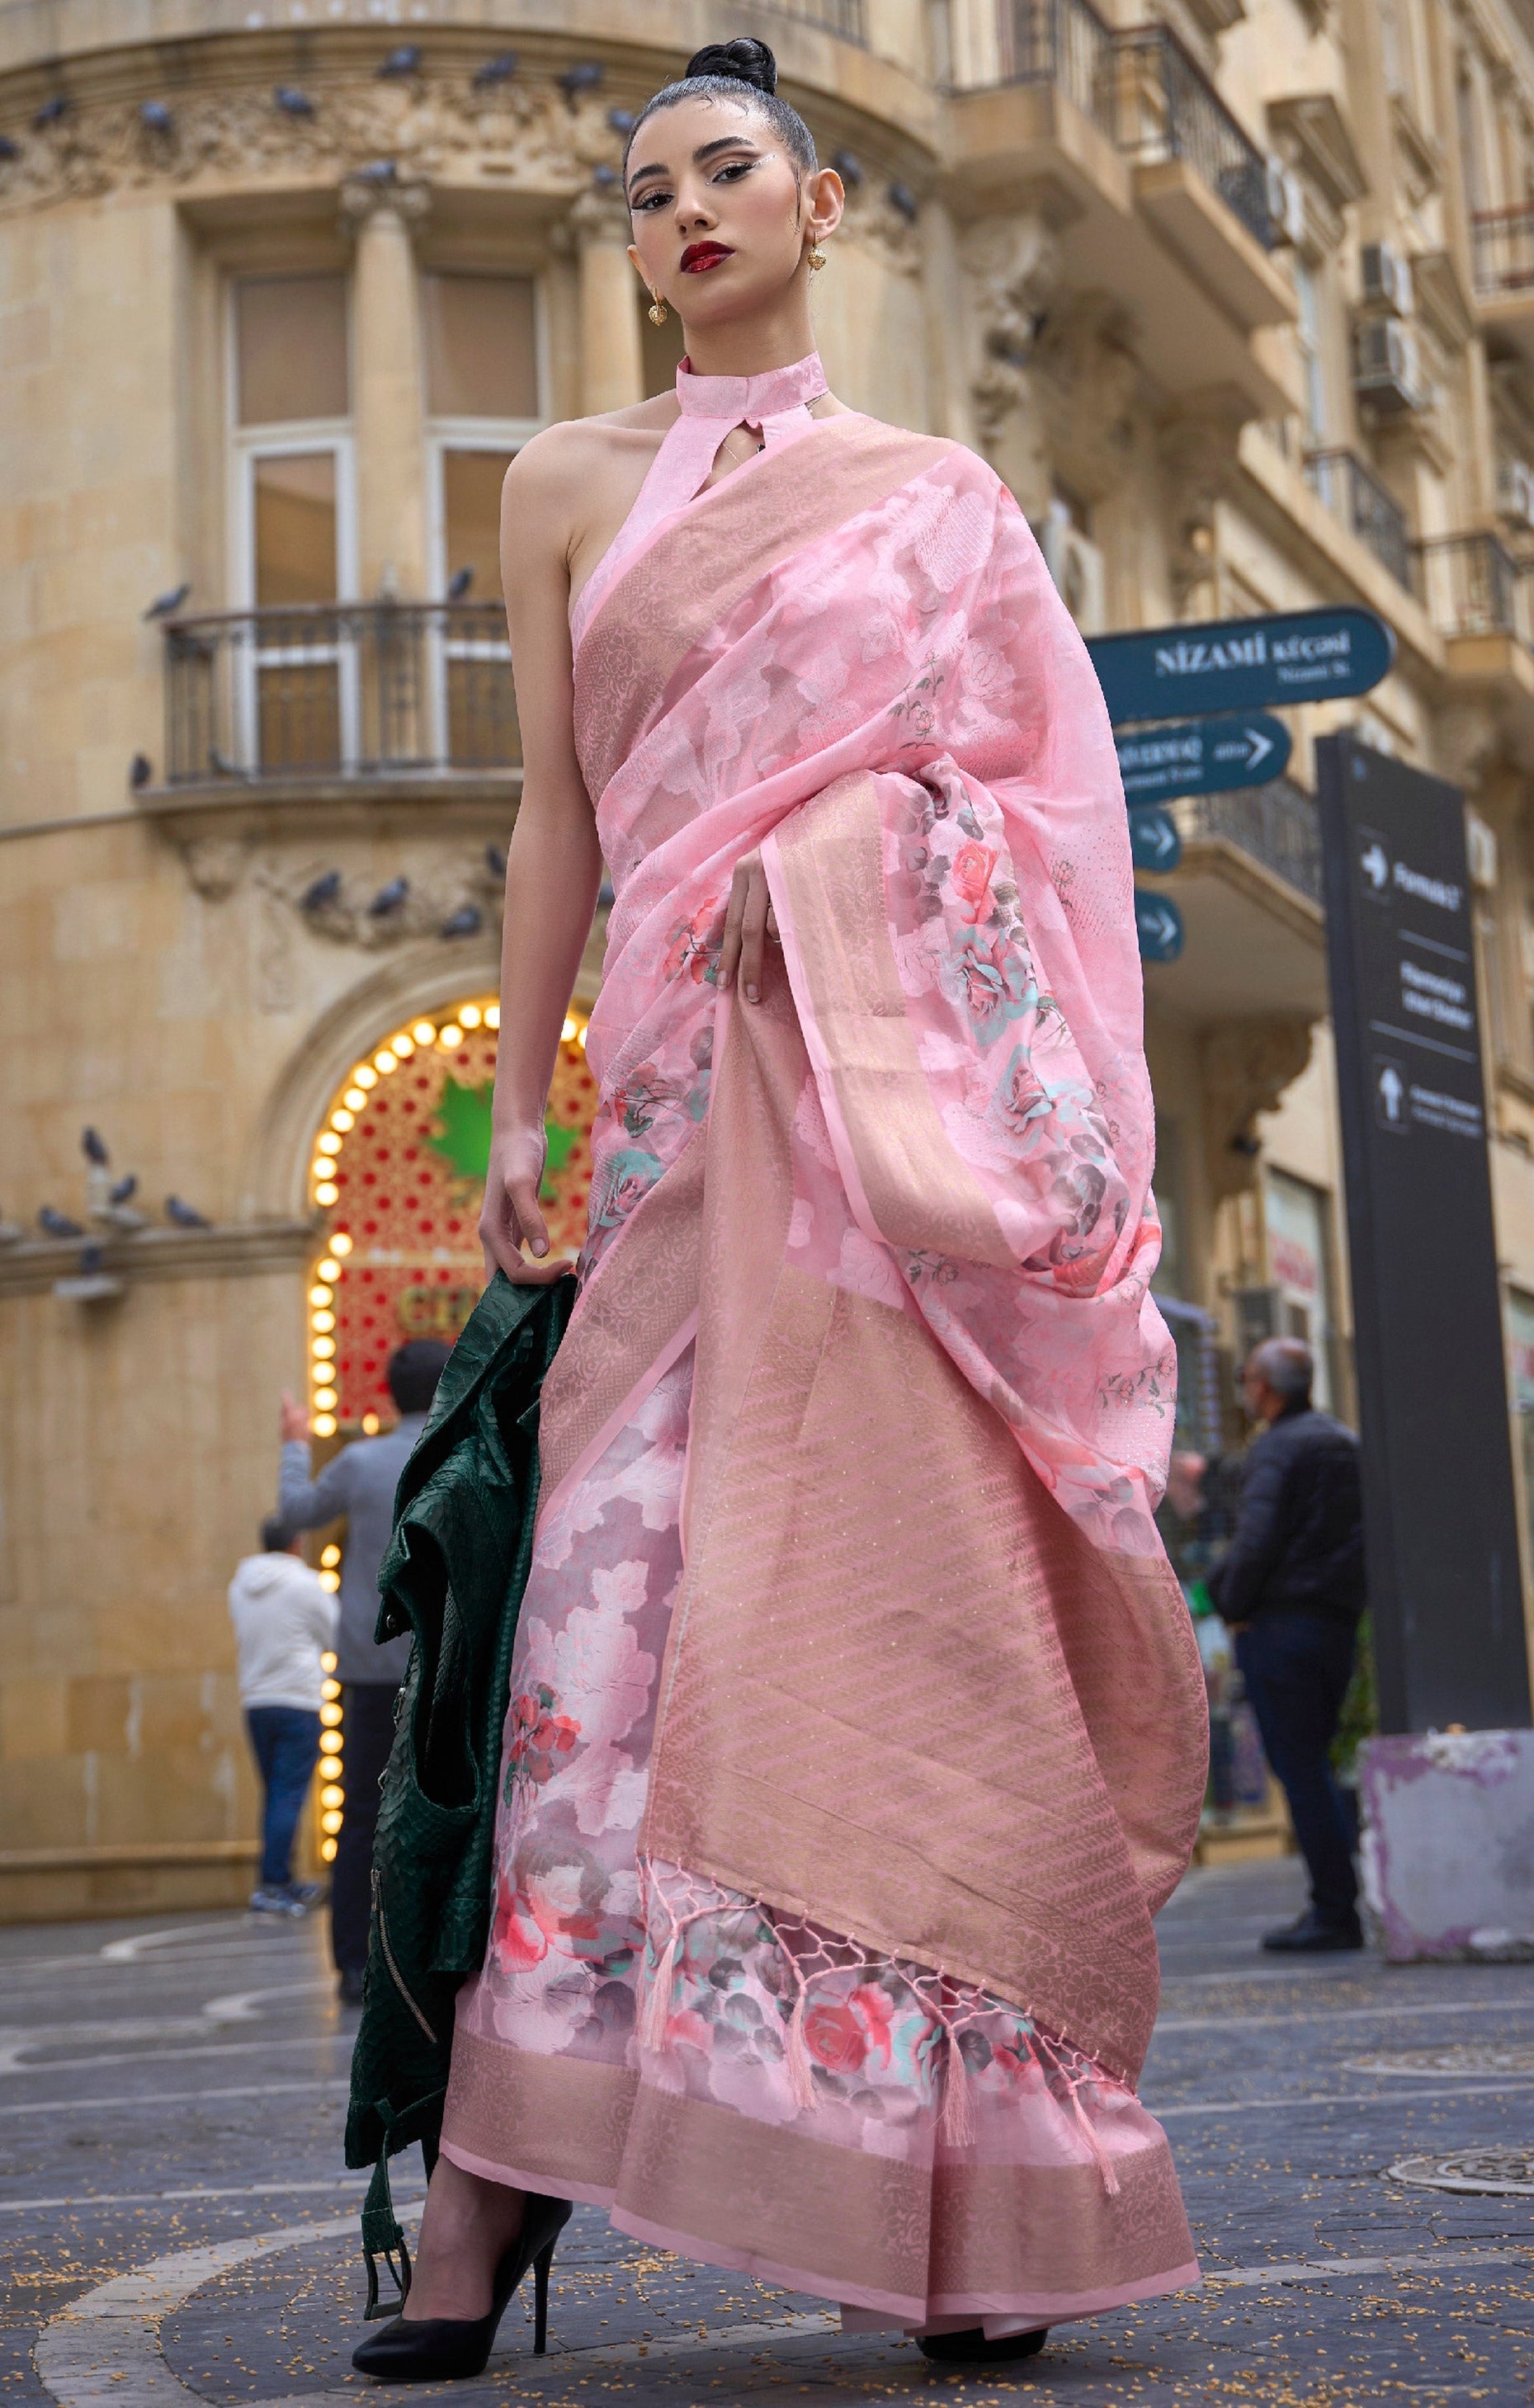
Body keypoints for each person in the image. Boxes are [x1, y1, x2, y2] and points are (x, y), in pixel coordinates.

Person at [352, 37, 1208, 2381]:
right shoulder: (562, 481)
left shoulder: (939, 500)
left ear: (823, 207)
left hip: (872, 1152)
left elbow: (1031, 807)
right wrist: (516, 1102)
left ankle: (961, 2201)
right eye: (645, 193)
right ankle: (489, 2197)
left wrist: (843, 858)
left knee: (900, 1628)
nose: (685, 212)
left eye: (726, 169)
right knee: (597, 1636)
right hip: (662, 1132)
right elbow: (556, 810)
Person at [279, 1337, 451, 2003]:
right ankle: (440, 1956)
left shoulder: (358, 1461)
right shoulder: (461, 1451)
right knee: (447, 1810)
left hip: (371, 1662)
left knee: (359, 1816)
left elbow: (294, 1513)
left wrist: (295, 1444)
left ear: (390, 1393)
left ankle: (353, 1963)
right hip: (445, 1660)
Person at [1206, 1338, 1365, 1952]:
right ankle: (1338, 1903)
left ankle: (1335, 1910)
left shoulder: (1276, 1448)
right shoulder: (1343, 1441)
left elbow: (1256, 1540)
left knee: (1300, 1768)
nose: (1245, 1388)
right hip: (1333, 1624)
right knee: (1313, 1763)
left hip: (1281, 1627)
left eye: (1246, 1377)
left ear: (1265, 1388)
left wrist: (1229, 1601)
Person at [229, 1515, 337, 1915]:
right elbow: (335, 1635)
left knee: (275, 1794)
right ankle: (273, 1885)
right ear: (296, 1544)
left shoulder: (239, 1586)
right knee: (288, 1795)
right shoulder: (306, 1584)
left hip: (256, 1703)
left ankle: (281, 1878)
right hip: (298, 1701)